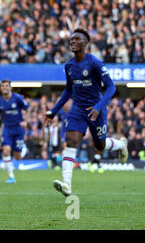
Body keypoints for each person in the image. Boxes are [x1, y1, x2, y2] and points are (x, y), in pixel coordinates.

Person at [44, 28, 128, 197]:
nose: (72, 42)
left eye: (77, 39)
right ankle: (67, 184)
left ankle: (120, 145)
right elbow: (68, 90)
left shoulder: (95, 63)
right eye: (71, 40)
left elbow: (111, 87)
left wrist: (98, 107)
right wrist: (54, 110)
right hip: (78, 109)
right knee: (71, 140)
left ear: (86, 43)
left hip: (96, 109)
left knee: (100, 145)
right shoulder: (69, 65)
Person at [0, 79, 29, 184]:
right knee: (6, 151)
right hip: (7, 129)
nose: (5, 87)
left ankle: (23, 150)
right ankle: (11, 177)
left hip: (18, 130)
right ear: (0, 88)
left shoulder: (18, 98)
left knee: (17, 157)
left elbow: (26, 109)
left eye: (6, 86)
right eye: (3, 86)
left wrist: (25, 121)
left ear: (10, 87)